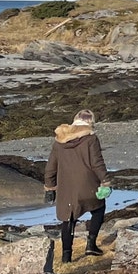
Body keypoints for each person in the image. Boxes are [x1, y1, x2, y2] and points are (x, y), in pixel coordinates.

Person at [43, 108, 109, 263]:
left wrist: (50, 187)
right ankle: (91, 245)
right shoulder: (91, 139)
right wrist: (105, 181)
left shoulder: (59, 141)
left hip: (67, 188)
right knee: (98, 209)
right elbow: (97, 163)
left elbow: (50, 167)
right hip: (88, 184)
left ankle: (66, 257)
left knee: (68, 220)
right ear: (90, 122)